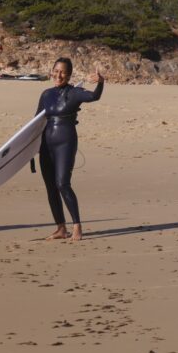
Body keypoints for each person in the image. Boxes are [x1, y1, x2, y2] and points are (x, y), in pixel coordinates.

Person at [35, 57, 104, 241]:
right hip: (45, 144)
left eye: (63, 72)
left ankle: (77, 226)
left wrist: (100, 82)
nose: (59, 75)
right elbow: (36, 122)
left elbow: (94, 96)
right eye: (56, 71)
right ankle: (60, 228)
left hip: (65, 143)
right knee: (51, 188)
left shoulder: (74, 93)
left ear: (69, 75)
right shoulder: (46, 94)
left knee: (62, 183)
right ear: (51, 72)